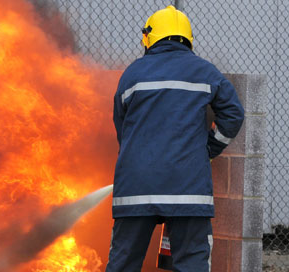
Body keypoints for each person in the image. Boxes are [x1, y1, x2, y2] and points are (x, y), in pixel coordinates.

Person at [106, 5, 244, 272]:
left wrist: (138, 155)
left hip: (136, 190)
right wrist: (208, 149)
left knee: (123, 265)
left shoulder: (132, 74)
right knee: (191, 264)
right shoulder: (205, 72)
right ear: (188, 38)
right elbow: (233, 114)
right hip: (188, 190)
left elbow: (121, 125)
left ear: (149, 37)